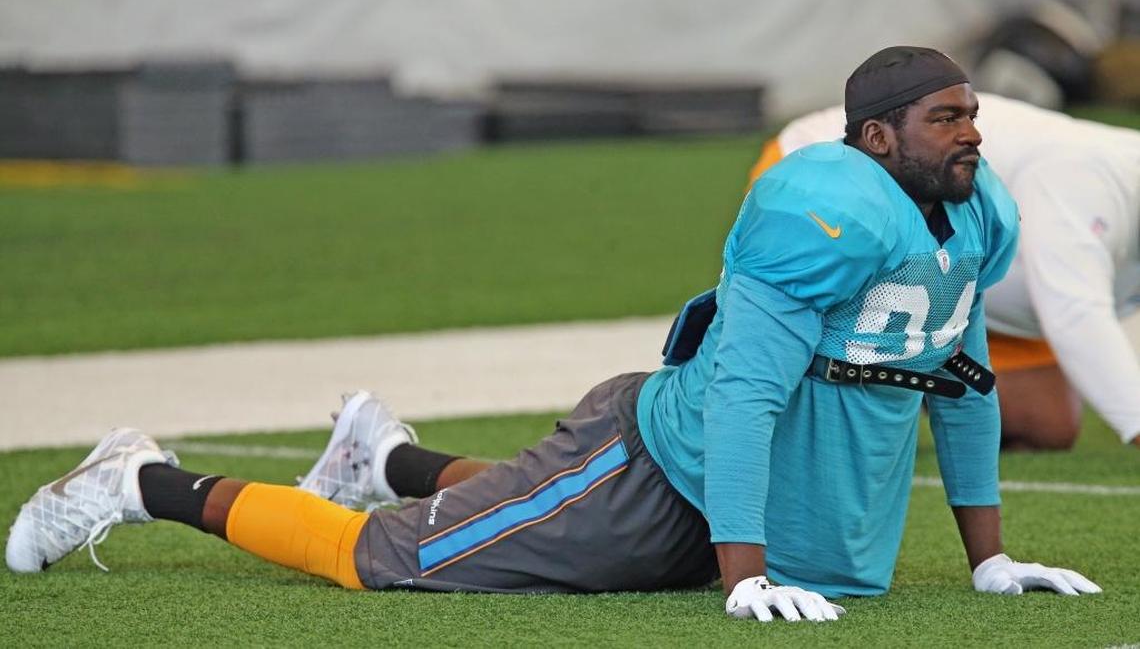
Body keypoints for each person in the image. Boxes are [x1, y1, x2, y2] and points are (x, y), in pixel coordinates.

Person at [6, 47, 1102, 623]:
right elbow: (744, 401)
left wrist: (991, 560)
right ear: (874, 137)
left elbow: (958, 381)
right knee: (392, 559)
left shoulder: (973, 214)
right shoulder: (821, 215)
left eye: (972, 112)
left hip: (746, 494)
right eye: (946, 117)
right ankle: (146, 481)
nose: (975, 133)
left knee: (529, 532)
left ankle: (380, 456)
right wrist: (741, 577)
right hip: (661, 465)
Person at [747, 93, 1140, 451]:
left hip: (969, 280)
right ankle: (735, 342)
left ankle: (914, 360)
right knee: (830, 423)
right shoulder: (1090, 176)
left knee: (1045, 422)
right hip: (824, 172)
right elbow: (1076, 315)